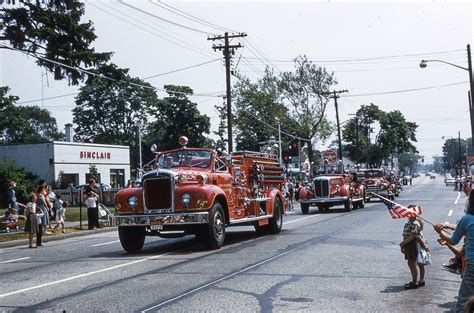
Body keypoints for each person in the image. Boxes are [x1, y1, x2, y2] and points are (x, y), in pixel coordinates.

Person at [434, 189, 474, 312]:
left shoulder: (467, 219)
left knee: (464, 299)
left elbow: (453, 240)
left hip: (472, 264)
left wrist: (440, 231)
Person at [399, 211, 425, 289]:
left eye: (410, 213)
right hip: (409, 244)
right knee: (410, 263)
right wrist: (403, 245)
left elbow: (413, 236)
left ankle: (415, 282)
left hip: (412, 244)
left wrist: (402, 243)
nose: (408, 215)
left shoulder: (415, 223)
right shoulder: (411, 222)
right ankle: (415, 280)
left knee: (412, 263)